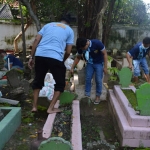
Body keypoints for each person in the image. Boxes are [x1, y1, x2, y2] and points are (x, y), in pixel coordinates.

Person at [28, 17, 74, 114]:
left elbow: (36, 40)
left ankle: (34, 107)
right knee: (61, 84)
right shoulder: (69, 30)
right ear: (69, 24)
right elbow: (69, 51)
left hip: (40, 55)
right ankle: (50, 108)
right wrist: (62, 60)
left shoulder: (48, 25)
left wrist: (31, 57)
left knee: (38, 80)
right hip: (55, 57)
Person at [71, 38, 108, 104]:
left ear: (87, 43)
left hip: (99, 63)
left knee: (98, 80)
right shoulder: (81, 47)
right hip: (90, 63)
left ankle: (98, 96)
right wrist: (72, 67)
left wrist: (105, 67)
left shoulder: (97, 43)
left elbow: (105, 54)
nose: (82, 50)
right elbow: (78, 57)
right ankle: (87, 95)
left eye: (83, 48)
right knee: (88, 78)